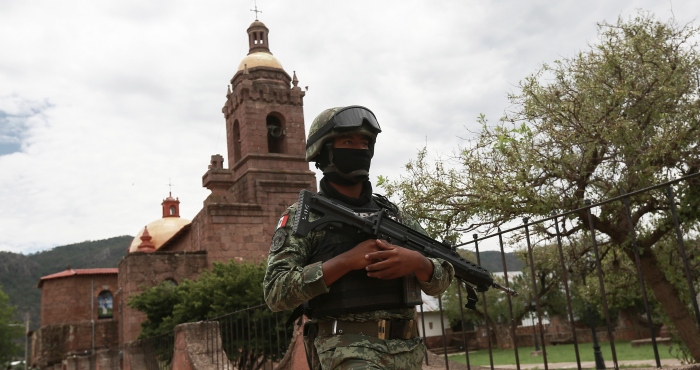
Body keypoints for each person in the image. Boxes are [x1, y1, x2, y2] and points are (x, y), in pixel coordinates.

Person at [263, 106, 454, 370]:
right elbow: (276, 292)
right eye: (348, 141)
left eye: (365, 142)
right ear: (324, 150)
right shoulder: (303, 216)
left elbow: (441, 280)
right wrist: (345, 262)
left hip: (409, 352)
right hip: (345, 352)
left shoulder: (394, 216)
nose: (360, 149)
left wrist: (419, 264)